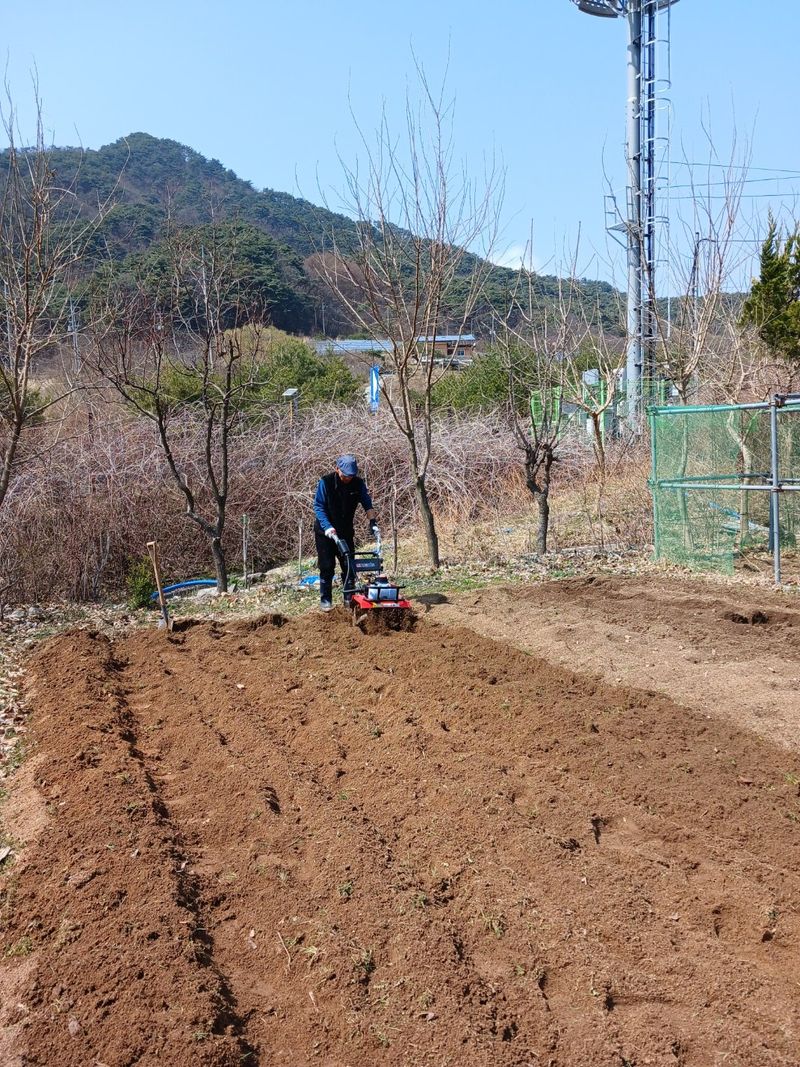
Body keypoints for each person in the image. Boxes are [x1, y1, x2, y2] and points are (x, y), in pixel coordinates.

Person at [313, 455, 378, 611]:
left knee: (348, 564)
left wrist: (372, 522)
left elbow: (367, 502)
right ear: (337, 469)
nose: (348, 478)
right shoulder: (326, 482)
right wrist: (328, 527)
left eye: (351, 475)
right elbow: (319, 506)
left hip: (345, 530)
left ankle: (349, 599)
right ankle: (326, 600)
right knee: (327, 566)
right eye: (345, 475)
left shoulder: (357, 484)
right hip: (325, 532)